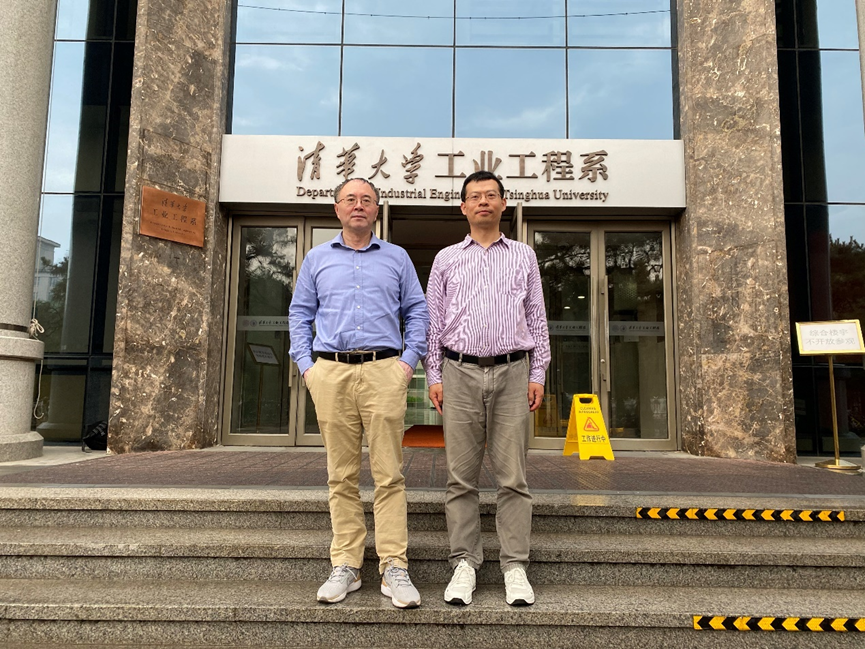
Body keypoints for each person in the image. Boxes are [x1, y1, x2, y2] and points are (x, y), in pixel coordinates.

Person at [289, 177, 428, 609]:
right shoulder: (316, 259)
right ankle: (347, 565)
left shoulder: (397, 257)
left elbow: (418, 310)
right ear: (337, 209)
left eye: (366, 200)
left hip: (385, 371)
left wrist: (407, 362)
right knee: (341, 475)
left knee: (389, 474)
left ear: (376, 209)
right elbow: (299, 314)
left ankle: (394, 566)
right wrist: (307, 367)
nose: (358, 205)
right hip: (330, 372)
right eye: (350, 199)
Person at [424, 170, 551, 607]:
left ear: (503, 204)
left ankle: (514, 566)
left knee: (513, 476)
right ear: (463, 207)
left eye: (491, 195)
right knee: (460, 477)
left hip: (513, 372)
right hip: (458, 372)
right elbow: (433, 323)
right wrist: (434, 375)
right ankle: (464, 562)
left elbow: (536, 317)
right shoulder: (445, 259)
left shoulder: (523, 256)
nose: (483, 201)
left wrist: (538, 373)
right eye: (475, 196)